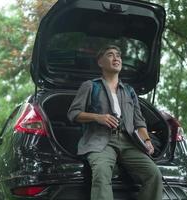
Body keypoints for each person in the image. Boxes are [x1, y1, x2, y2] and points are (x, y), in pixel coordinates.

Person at [67, 45, 163, 200]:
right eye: (110, 55)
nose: (116, 58)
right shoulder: (90, 86)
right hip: (100, 141)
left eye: (118, 55)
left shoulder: (129, 91)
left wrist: (147, 140)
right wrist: (98, 117)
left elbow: (139, 122)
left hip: (129, 142)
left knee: (154, 174)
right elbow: (73, 114)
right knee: (101, 174)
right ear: (100, 62)